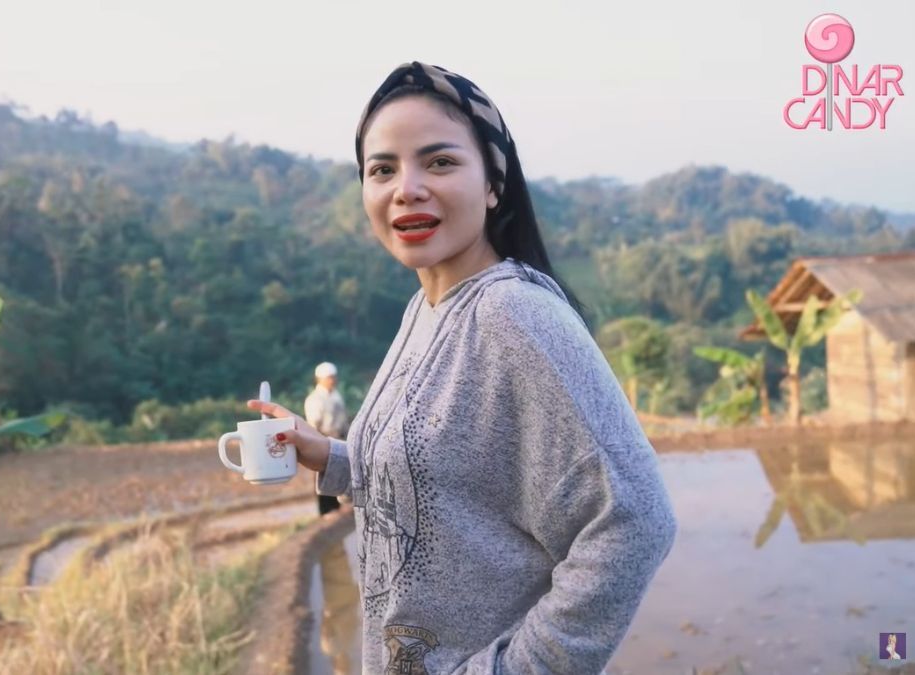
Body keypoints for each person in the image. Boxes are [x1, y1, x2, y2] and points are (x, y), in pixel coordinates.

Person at [247, 61, 676, 674]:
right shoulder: (424, 308)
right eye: (382, 169)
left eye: (440, 162)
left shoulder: (513, 314)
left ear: (493, 183)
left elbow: (635, 521)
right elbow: (449, 486)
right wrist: (332, 457)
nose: (406, 188)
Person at [305, 361, 350, 515]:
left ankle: (336, 507)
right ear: (320, 379)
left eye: (333, 377)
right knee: (323, 473)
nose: (333, 380)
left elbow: (343, 419)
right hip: (323, 439)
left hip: (338, 438)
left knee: (337, 472)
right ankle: (325, 510)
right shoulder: (315, 399)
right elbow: (314, 425)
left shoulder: (337, 396)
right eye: (330, 377)